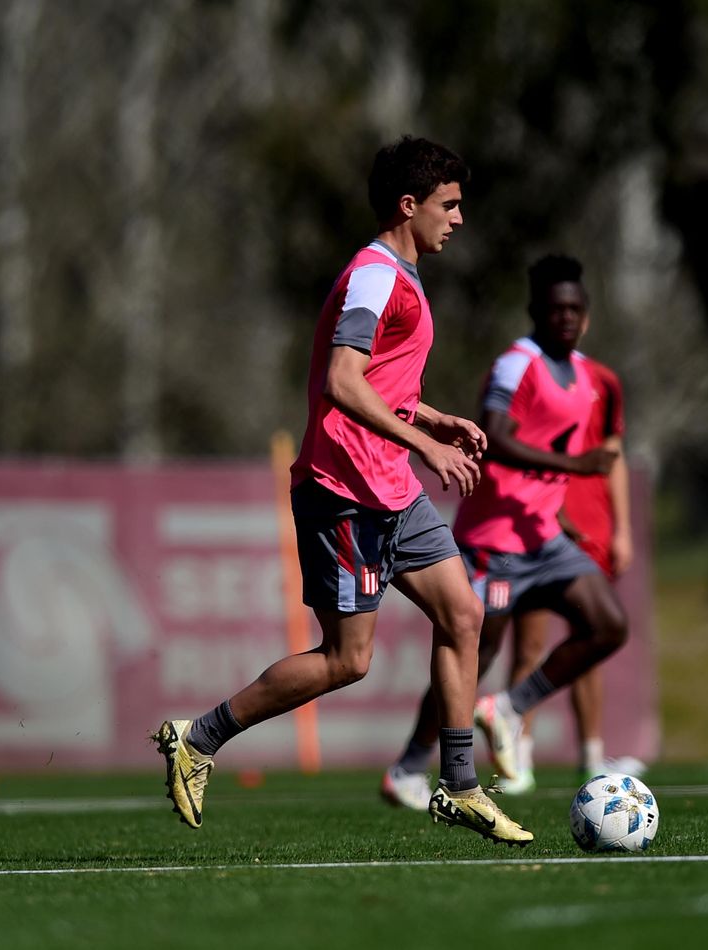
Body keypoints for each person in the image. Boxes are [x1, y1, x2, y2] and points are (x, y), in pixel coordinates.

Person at [153, 136, 534, 846]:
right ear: (409, 205)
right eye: (450, 205)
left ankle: (458, 786)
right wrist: (425, 447)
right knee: (347, 660)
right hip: (345, 491)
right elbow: (342, 380)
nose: (459, 219)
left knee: (464, 614)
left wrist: (433, 419)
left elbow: (381, 382)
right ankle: (197, 738)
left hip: (391, 487)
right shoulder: (374, 275)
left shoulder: (401, 276)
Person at [380, 254, 628, 810]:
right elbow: (495, 438)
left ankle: (510, 708)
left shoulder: (586, 375)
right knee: (473, 651)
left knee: (608, 625)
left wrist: (556, 506)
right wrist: (576, 467)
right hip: (495, 543)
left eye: (575, 308)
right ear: (536, 310)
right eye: (556, 308)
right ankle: (408, 767)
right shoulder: (517, 366)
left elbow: (546, 450)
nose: (566, 317)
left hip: (544, 538)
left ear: (586, 314)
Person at [503, 354, 646, 793]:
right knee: (528, 645)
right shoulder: (527, 372)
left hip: (591, 528)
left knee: (590, 639)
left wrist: (622, 528)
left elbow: (613, 455)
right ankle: (517, 760)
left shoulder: (604, 380)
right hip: (538, 524)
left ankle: (591, 756)